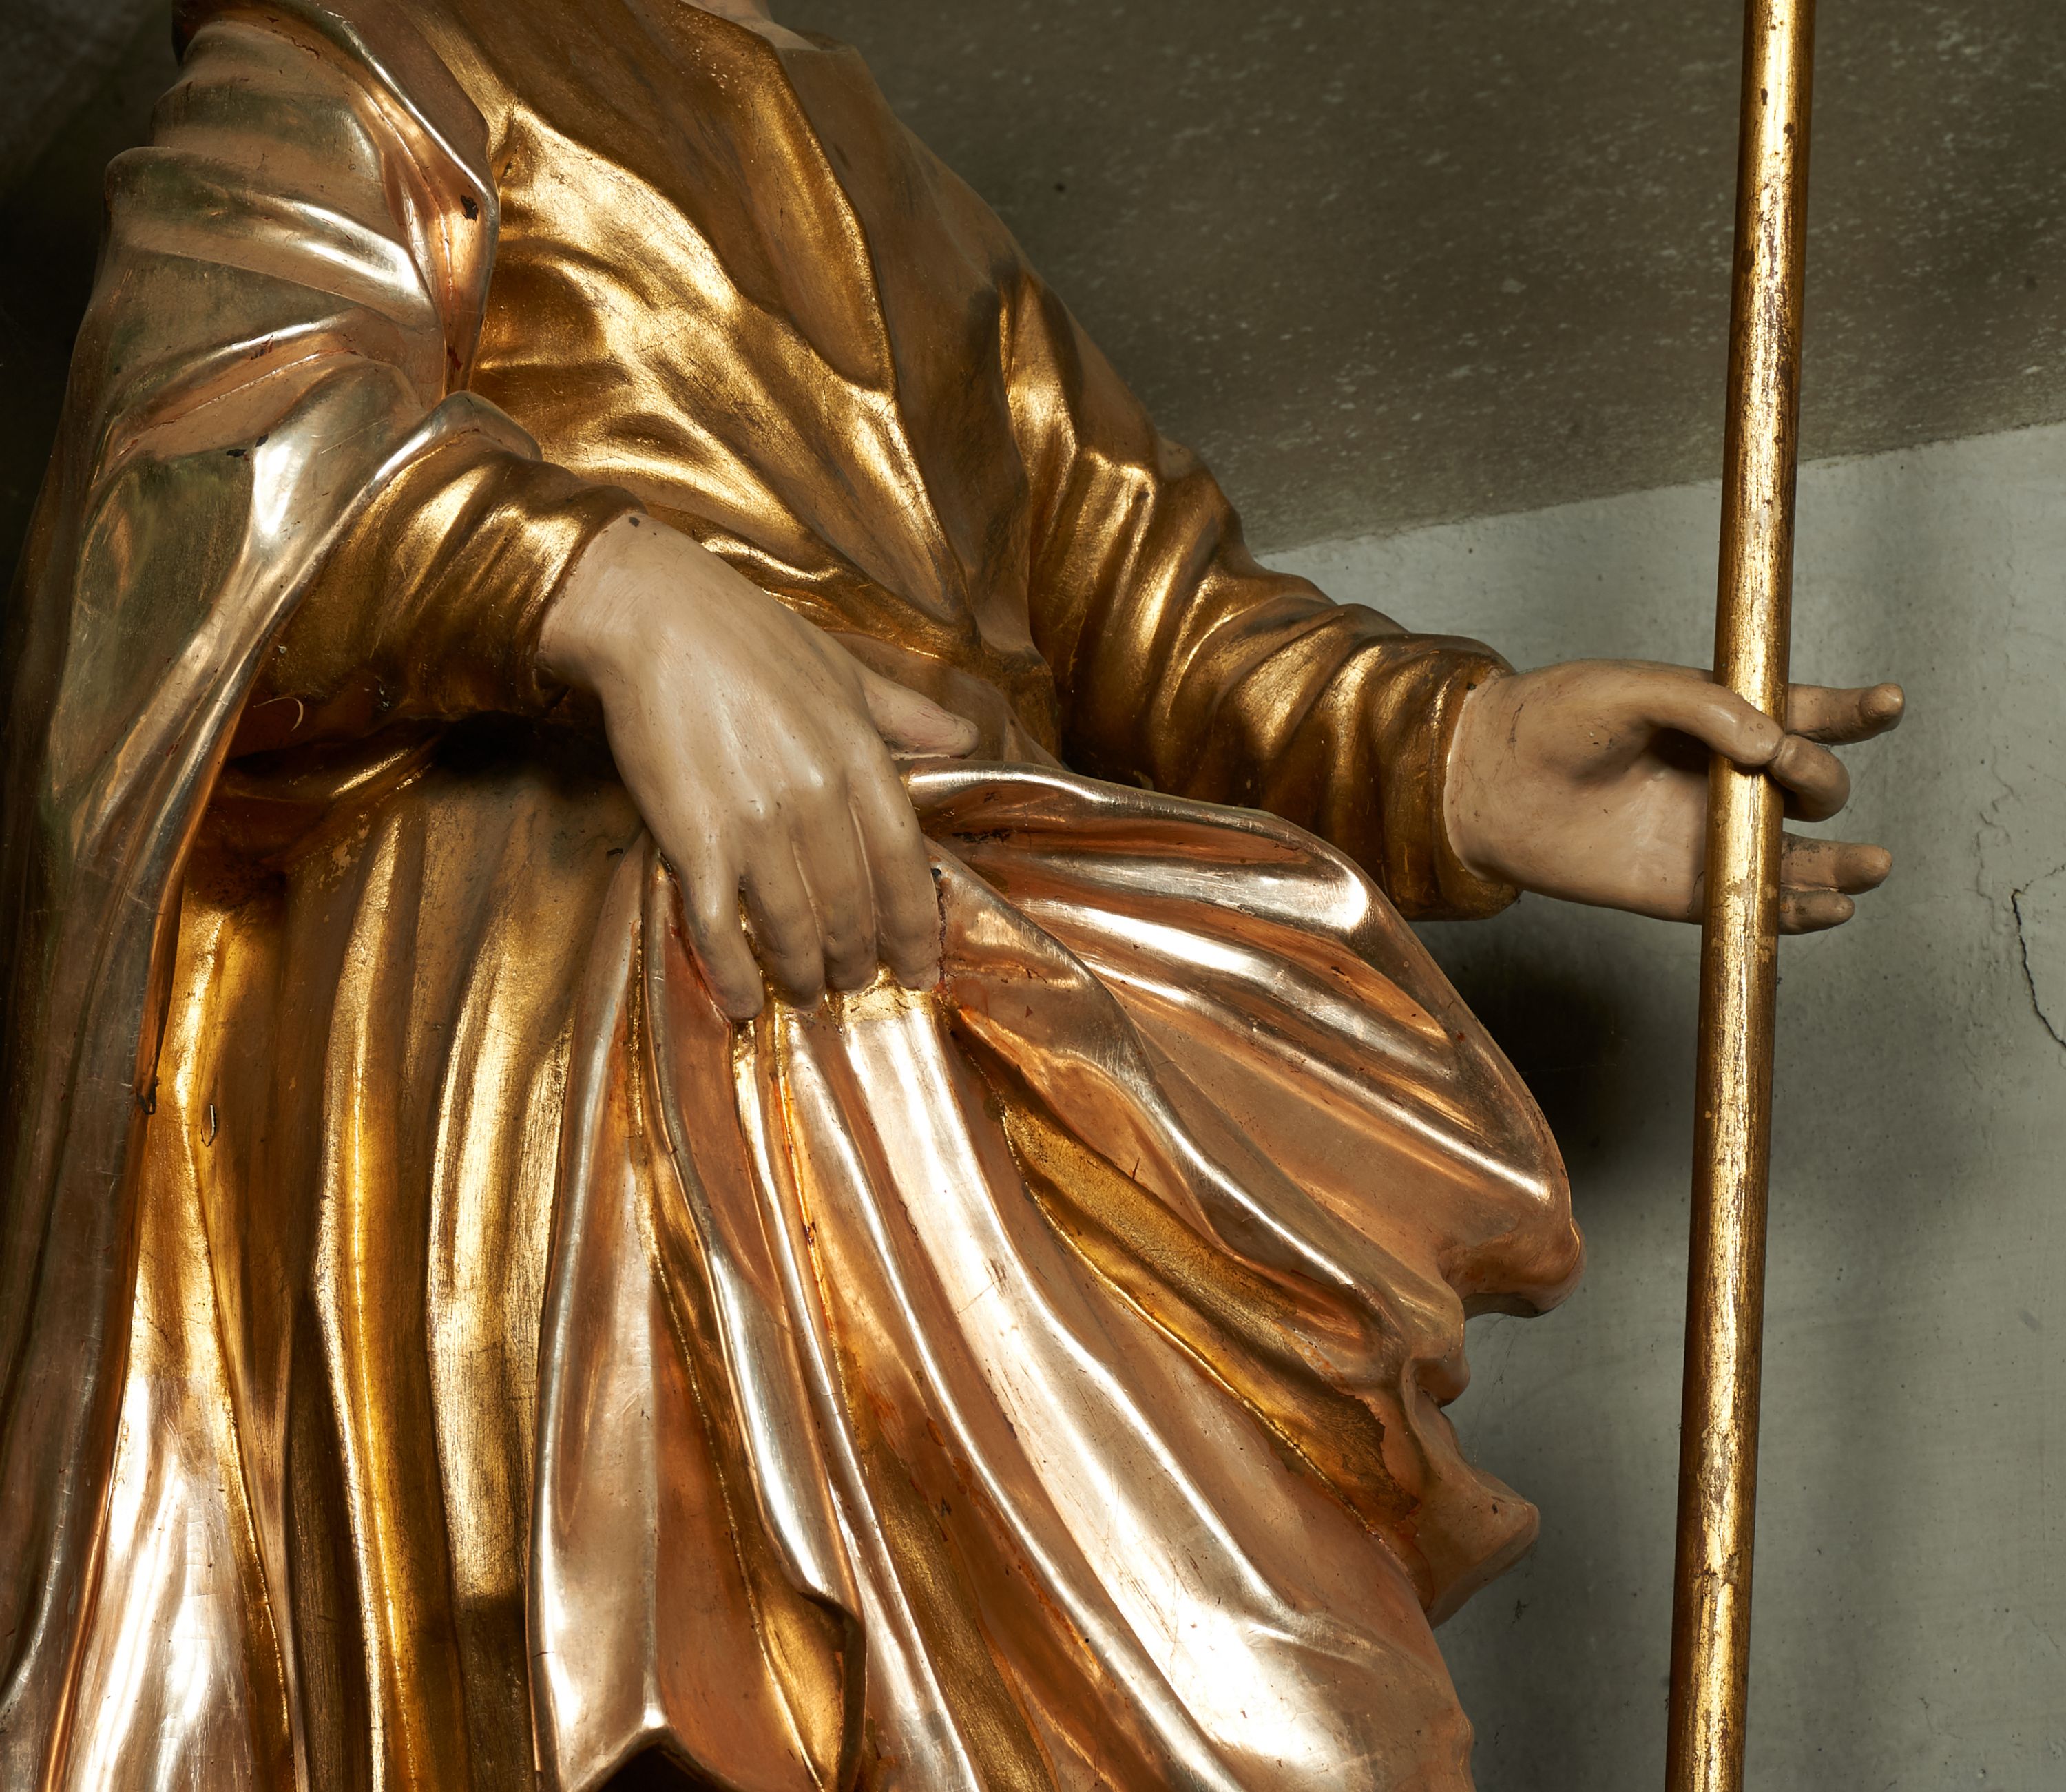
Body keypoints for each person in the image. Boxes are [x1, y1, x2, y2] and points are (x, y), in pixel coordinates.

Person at [0, 0, 1899, 1786]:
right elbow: (201, 454)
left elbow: (1155, 612)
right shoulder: (369, 47)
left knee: (1291, 1717)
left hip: (982, 995)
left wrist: (1456, 751)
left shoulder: (905, 186)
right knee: (715, 1696)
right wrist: (611, 590)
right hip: (631, 1000)